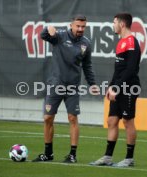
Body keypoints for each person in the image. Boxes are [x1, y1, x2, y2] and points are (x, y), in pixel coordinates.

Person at [32, 15, 98, 163]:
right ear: (71, 25)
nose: (80, 29)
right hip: (55, 84)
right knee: (48, 118)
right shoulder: (60, 36)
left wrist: (92, 83)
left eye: (83, 27)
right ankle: (48, 154)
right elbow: (43, 35)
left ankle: (72, 155)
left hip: (73, 87)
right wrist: (48, 29)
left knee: (72, 118)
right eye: (78, 26)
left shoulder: (86, 43)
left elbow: (87, 66)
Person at [90, 13, 141, 167]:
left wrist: (118, 87)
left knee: (127, 121)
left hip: (129, 87)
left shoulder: (132, 42)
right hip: (118, 88)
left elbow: (131, 70)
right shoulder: (121, 42)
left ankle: (129, 158)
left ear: (122, 24)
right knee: (112, 120)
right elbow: (118, 69)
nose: (113, 25)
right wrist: (111, 87)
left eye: (114, 22)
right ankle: (107, 157)